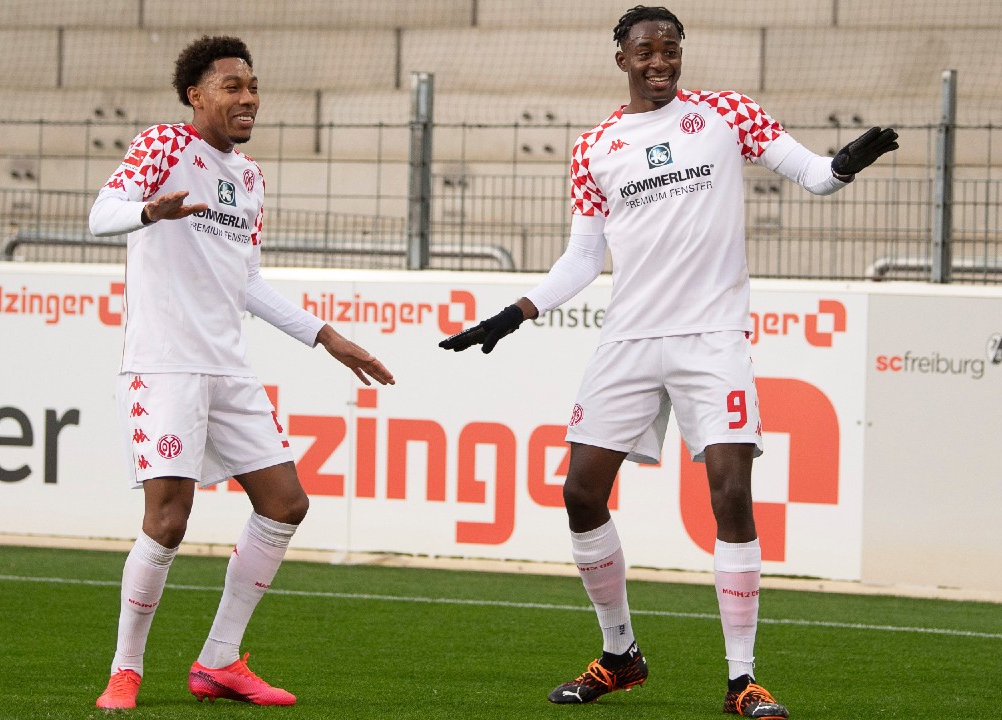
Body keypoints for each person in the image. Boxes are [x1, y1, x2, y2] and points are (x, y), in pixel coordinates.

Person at [439, 5, 895, 718]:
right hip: (629, 337)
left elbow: (810, 174)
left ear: (682, 54)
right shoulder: (595, 146)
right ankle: (619, 655)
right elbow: (585, 257)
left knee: (730, 490)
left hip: (712, 337)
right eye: (645, 51)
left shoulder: (723, 113)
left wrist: (843, 165)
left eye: (670, 50)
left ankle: (742, 679)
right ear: (621, 59)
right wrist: (514, 313)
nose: (659, 62)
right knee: (581, 492)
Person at [87, 35, 394, 710]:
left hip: (228, 367)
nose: (248, 97)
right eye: (232, 87)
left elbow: (248, 281)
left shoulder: (249, 178)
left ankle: (219, 661)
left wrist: (326, 336)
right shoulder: (164, 146)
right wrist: (149, 210)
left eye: (252, 86)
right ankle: (126, 669)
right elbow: (99, 214)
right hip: (164, 367)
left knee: (286, 504)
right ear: (196, 96)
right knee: (167, 522)